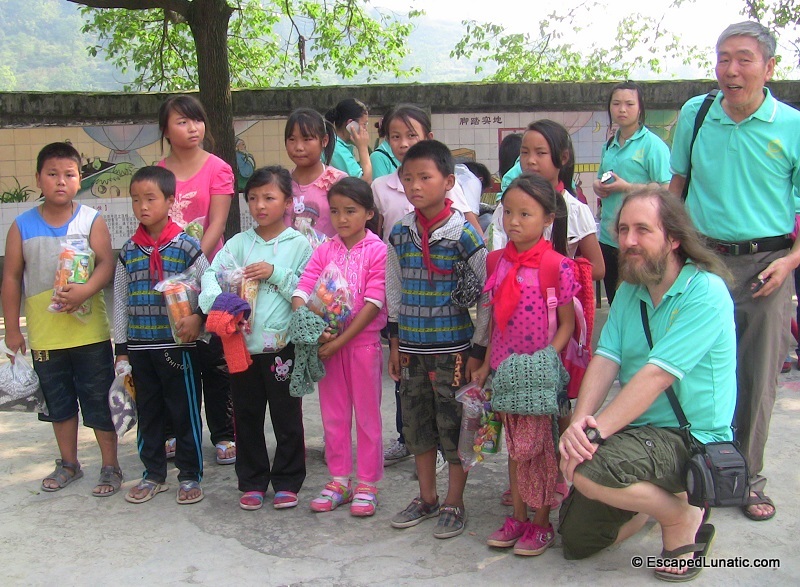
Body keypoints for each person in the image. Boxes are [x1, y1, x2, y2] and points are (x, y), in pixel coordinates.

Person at [558, 188, 736, 581]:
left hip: (692, 438)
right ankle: (657, 504)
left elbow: (657, 376)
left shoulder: (704, 293)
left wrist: (595, 433)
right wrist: (579, 423)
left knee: (590, 470)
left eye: (643, 230)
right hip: (640, 433)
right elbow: (606, 359)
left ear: (674, 238)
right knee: (576, 539)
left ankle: (679, 517)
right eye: (623, 230)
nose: (629, 241)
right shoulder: (631, 291)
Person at [669, 21, 800, 522]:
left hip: (768, 264)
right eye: (723, 58)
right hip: (703, 260)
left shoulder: (790, 126)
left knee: (757, 375)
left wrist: (789, 262)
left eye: (743, 59)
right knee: (689, 367)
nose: (730, 69)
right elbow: (675, 187)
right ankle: (690, 469)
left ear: (769, 68)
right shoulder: (696, 114)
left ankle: (747, 477)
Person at [1, 142, 120, 497]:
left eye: (69, 174)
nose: (60, 182)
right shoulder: (21, 226)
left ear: (79, 179)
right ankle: (69, 462)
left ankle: (110, 465)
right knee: (59, 402)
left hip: (90, 333)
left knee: (98, 398)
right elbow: (10, 279)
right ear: (38, 179)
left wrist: (85, 291)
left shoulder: (90, 220)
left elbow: (106, 264)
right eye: (52, 174)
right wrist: (11, 330)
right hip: (45, 335)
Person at [386, 139, 490, 539]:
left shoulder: (463, 233)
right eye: (407, 178)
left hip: (454, 352)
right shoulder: (399, 233)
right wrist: (394, 344)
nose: (414, 185)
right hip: (411, 350)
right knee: (417, 426)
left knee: (455, 428)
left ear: (448, 181)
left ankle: (454, 500)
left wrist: (479, 350)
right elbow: (394, 289)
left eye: (424, 177)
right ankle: (427, 497)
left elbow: (487, 293)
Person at [472, 174, 577, 556]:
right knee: (516, 451)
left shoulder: (556, 266)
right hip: (505, 375)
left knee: (543, 452)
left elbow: (567, 323)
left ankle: (542, 521)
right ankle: (518, 516)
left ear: (548, 217)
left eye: (525, 214)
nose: (513, 222)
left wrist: (547, 359)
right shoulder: (497, 262)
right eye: (508, 212)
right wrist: (485, 365)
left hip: (540, 379)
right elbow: (496, 323)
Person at [200, 166, 312, 511]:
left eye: (269, 197)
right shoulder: (238, 244)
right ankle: (251, 481)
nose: (260, 205)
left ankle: (288, 480)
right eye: (252, 198)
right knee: (246, 415)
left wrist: (275, 273)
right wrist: (221, 304)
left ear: (288, 202)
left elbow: (310, 288)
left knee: (286, 415)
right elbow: (209, 276)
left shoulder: (300, 245)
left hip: (282, 347)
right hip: (240, 347)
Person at [292, 177, 387, 516]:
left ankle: (367, 482)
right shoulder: (325, 248)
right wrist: (307, 323)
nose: (342, 219)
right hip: (327, 344)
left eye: (351, 211)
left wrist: (340, 341)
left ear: (369, 213)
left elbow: (374, 302)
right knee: (333, 414)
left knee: (367, 415)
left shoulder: (378, 250)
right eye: (335, 211)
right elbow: (303, 288)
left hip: (362, 345)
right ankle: (339, 479)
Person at [114, 166, 208, 505]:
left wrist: (199, 317)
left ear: (170, 201)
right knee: (148, 412)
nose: (142, 206)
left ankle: (189, 475)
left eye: (150, 198)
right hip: (140, 348)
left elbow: (209, 286)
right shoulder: (128, 251)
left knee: (184, 411)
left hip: (178, 347)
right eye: (136, 199)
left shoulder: (186, 246)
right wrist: (121, 349)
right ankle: (152, 474)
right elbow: (121, 300)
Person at [157, 95, 237, 466]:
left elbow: (217, 223)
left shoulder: (218, 168)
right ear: (165, 130)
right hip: (165, 279)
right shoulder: (157, 172)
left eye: (197, 121)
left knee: (213, 355)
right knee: (173, 356)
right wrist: (171, 275)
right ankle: (177, 431)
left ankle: (223, 433)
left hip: (208, 274)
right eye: (182, 122)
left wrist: (192, 269)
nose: (192, 128)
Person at [490, 120, 605, 281]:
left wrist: (556, 271)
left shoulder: (576, 210)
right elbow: (496, 255)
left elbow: (598, 268)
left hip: (558, 301)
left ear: (563, 157)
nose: (530, 160)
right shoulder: (506, 207)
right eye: (524, 153)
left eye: (540, 153)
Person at [594, 81, 671, 304]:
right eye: (616, 103)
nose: (622, 109)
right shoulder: (609, 144)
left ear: (640, 108)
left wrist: (627, 188)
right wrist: (599, 186)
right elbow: (601, 176)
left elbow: (667, 190)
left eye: (629, 104)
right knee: (616, 301)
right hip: (610, 235)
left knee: (640, 301)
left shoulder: (652, 146)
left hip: (640, 238)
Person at [284, 108, 348, 239]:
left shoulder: (339, 182)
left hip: (329, 259)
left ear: (324, 140)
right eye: (292, 139)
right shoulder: (281, 182)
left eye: (307, 139)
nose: (299, 147)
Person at [325, 98, 373, 184]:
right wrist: (363, 148)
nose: (365, 129)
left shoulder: (338, 143)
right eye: (364, 124)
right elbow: (365, 181)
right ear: (351, 124)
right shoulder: (336, 148)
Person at [370, 113, 400, 180]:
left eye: (411, 135)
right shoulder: (378, 157)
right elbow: (380, 189)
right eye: (397, 136)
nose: (404, 143)